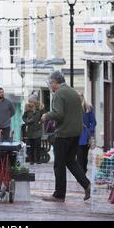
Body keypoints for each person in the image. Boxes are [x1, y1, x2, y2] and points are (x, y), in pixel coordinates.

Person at [40, 71, 91, 202]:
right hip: (76, 132)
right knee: (71, 161)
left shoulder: (59, 94)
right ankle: (86, 183)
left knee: (59, 164)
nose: (50, 86)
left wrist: (46, 116)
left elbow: (58, 114)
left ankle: (59, 194)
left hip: (63, 133)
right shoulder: (73, 92)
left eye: (51, 83)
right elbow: (78, 112)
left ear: (55, 82)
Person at [77, 91, 97, 174]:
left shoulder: (88, 108)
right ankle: (80, 173)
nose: (79, 97)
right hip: (76, 134)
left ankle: (83, 171)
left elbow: (93, 122)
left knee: (84, 155)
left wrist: (91, 130)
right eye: (78, 96)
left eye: (81, 96)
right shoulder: (73, 108)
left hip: (85, 135)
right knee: (79, 155)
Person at [22, 95, 43, 164]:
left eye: (31, 101)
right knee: (31, 146)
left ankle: (38, 159)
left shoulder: (39, 109)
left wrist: (40, 121)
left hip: (37, 129)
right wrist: (27, 121)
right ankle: (32, 160)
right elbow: (23, 117)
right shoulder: (27, 109)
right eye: (29, 101)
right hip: (30, 130)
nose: (29, 103)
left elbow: (41, 117)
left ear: (34, 102)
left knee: (38, 145)